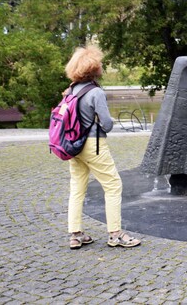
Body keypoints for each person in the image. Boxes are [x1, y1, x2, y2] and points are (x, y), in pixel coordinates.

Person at [64, 45, 141, 249]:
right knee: (113, 185)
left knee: (77, 187)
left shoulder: (71, 89)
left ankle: (75, 234)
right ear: (94, 69)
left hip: (73, 145)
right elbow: (106, 124)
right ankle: (115, 233)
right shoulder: (96, 92)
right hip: (93, 144)